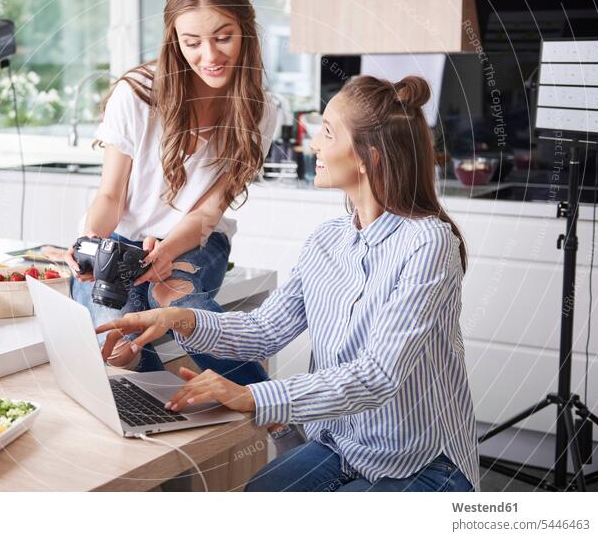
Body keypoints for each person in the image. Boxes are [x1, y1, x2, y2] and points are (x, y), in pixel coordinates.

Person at [97, 75, 481, 492]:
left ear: (368, 157)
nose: (314, 144)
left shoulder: (427, 243)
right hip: (343, 447)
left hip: (425, 465)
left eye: (328, 132)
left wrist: (254, 397)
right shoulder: (328, 239)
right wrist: (179, 318)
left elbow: (379, 375)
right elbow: (264, 331)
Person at [66, 0, 276, 386]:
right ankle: (159, 410)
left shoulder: (260, 110)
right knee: (116, 340)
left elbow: (207, 214)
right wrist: (89, 243)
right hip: (123, 239)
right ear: (174, 40)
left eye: (223, 37)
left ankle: (270, 405)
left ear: (246, 31)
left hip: (199, 240)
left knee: (176, 298)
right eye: (192, 42)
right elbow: (111, 197)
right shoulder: (138, 94)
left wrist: (165, 255)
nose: (210, 56)